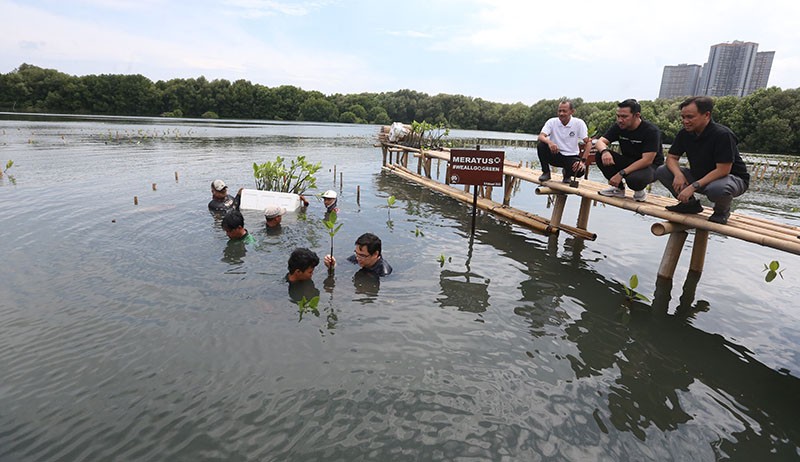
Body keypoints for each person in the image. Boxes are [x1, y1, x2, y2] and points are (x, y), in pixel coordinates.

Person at [656, 96, 749, 224]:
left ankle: (721, 212)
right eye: (683, 117)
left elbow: (723, 170)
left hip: (730, 179)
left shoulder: (723, 135)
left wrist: (693, 186)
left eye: (690, 117)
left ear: (706, 115)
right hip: (700, 176)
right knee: (663, 171)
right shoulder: (684, 133)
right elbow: (672, 157)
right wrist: (678, 174)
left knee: (717, 189)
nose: (685, 121)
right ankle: (690, 205)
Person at [592, 99, 663, 201]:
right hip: (629, 161)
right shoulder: (619, 127)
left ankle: (639, 191)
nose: (620, 120)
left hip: (651, 166)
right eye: (618, 116)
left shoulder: (651, 131)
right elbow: (600, 142)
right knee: (600, 155)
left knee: (634, 179)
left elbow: (647, 160)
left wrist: (621, 173)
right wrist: (605, 152)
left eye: (624, 117)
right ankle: (618, 189)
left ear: (637, 115)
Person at [537, 100, 590, 184]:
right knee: (541, 145)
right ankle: (546, 172)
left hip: (571, 156)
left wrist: (583, 162)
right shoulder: (552, 122)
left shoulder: (579, 123)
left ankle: (567, 174)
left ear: (572, 112)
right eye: (559, 111)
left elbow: (588, 142)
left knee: (580, 171)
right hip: (555, 154)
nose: (561, 113)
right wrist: (550, 142)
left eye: (564, 111)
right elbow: (541, 136)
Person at [324, 232, 392, 277]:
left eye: (362, 255)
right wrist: (332, 265)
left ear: (375, 254)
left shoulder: (383, 272)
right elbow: (342, 265)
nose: (357, 258)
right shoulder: (357, 257)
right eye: (356, 253)